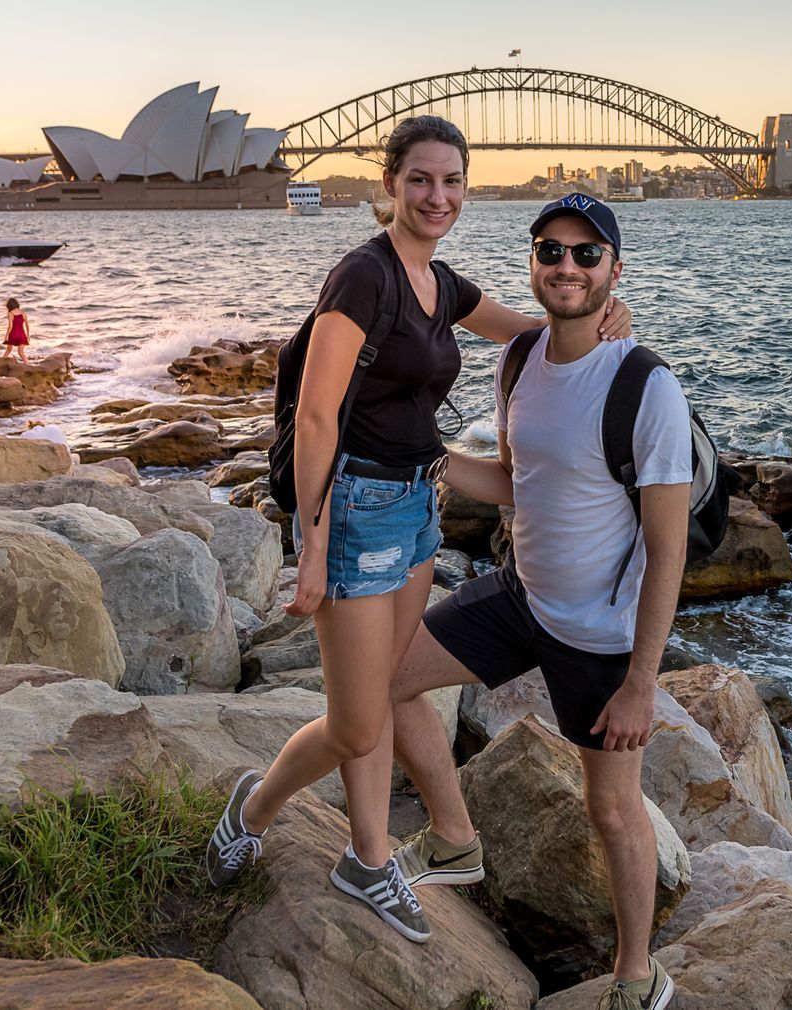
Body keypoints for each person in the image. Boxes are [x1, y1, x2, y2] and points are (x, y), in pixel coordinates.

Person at [203, 118, 631, 945]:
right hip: (356, 507)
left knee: (389, 690)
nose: (439, 196)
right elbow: (321, 416)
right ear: (389, 185)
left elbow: (532, 327)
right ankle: (250, 810)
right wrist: (314, 549)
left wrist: (605, 313)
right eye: (421, 180)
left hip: (418, 504)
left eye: (453, 182)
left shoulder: (440, 282)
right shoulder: (364, 278)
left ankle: (368, 858)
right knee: (360, 719)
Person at [385, 194, 689, 1010]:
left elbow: (669, 548)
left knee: (613, 810)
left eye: (588, 255)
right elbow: (517, 483)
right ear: (532, 263)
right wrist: (426, 454)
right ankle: (454, 840)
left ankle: (637, 975)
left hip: (600, 636)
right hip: (524, 596)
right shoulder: (517, 361)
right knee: (387, 680)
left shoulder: (646, 386)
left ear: (615, 272)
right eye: (552, 250)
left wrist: (642, 681)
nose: (567, 266)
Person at [2, 298, 31, 363]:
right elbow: (27, 325)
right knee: (21, 353)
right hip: (22, 334)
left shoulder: (10, 313)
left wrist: (6, 336)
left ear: (9, 305)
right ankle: (28, 365)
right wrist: (28, 335)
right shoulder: (23, 313)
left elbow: (10, 326)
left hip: (13, 334)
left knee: (8, 351)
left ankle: (0, 363)